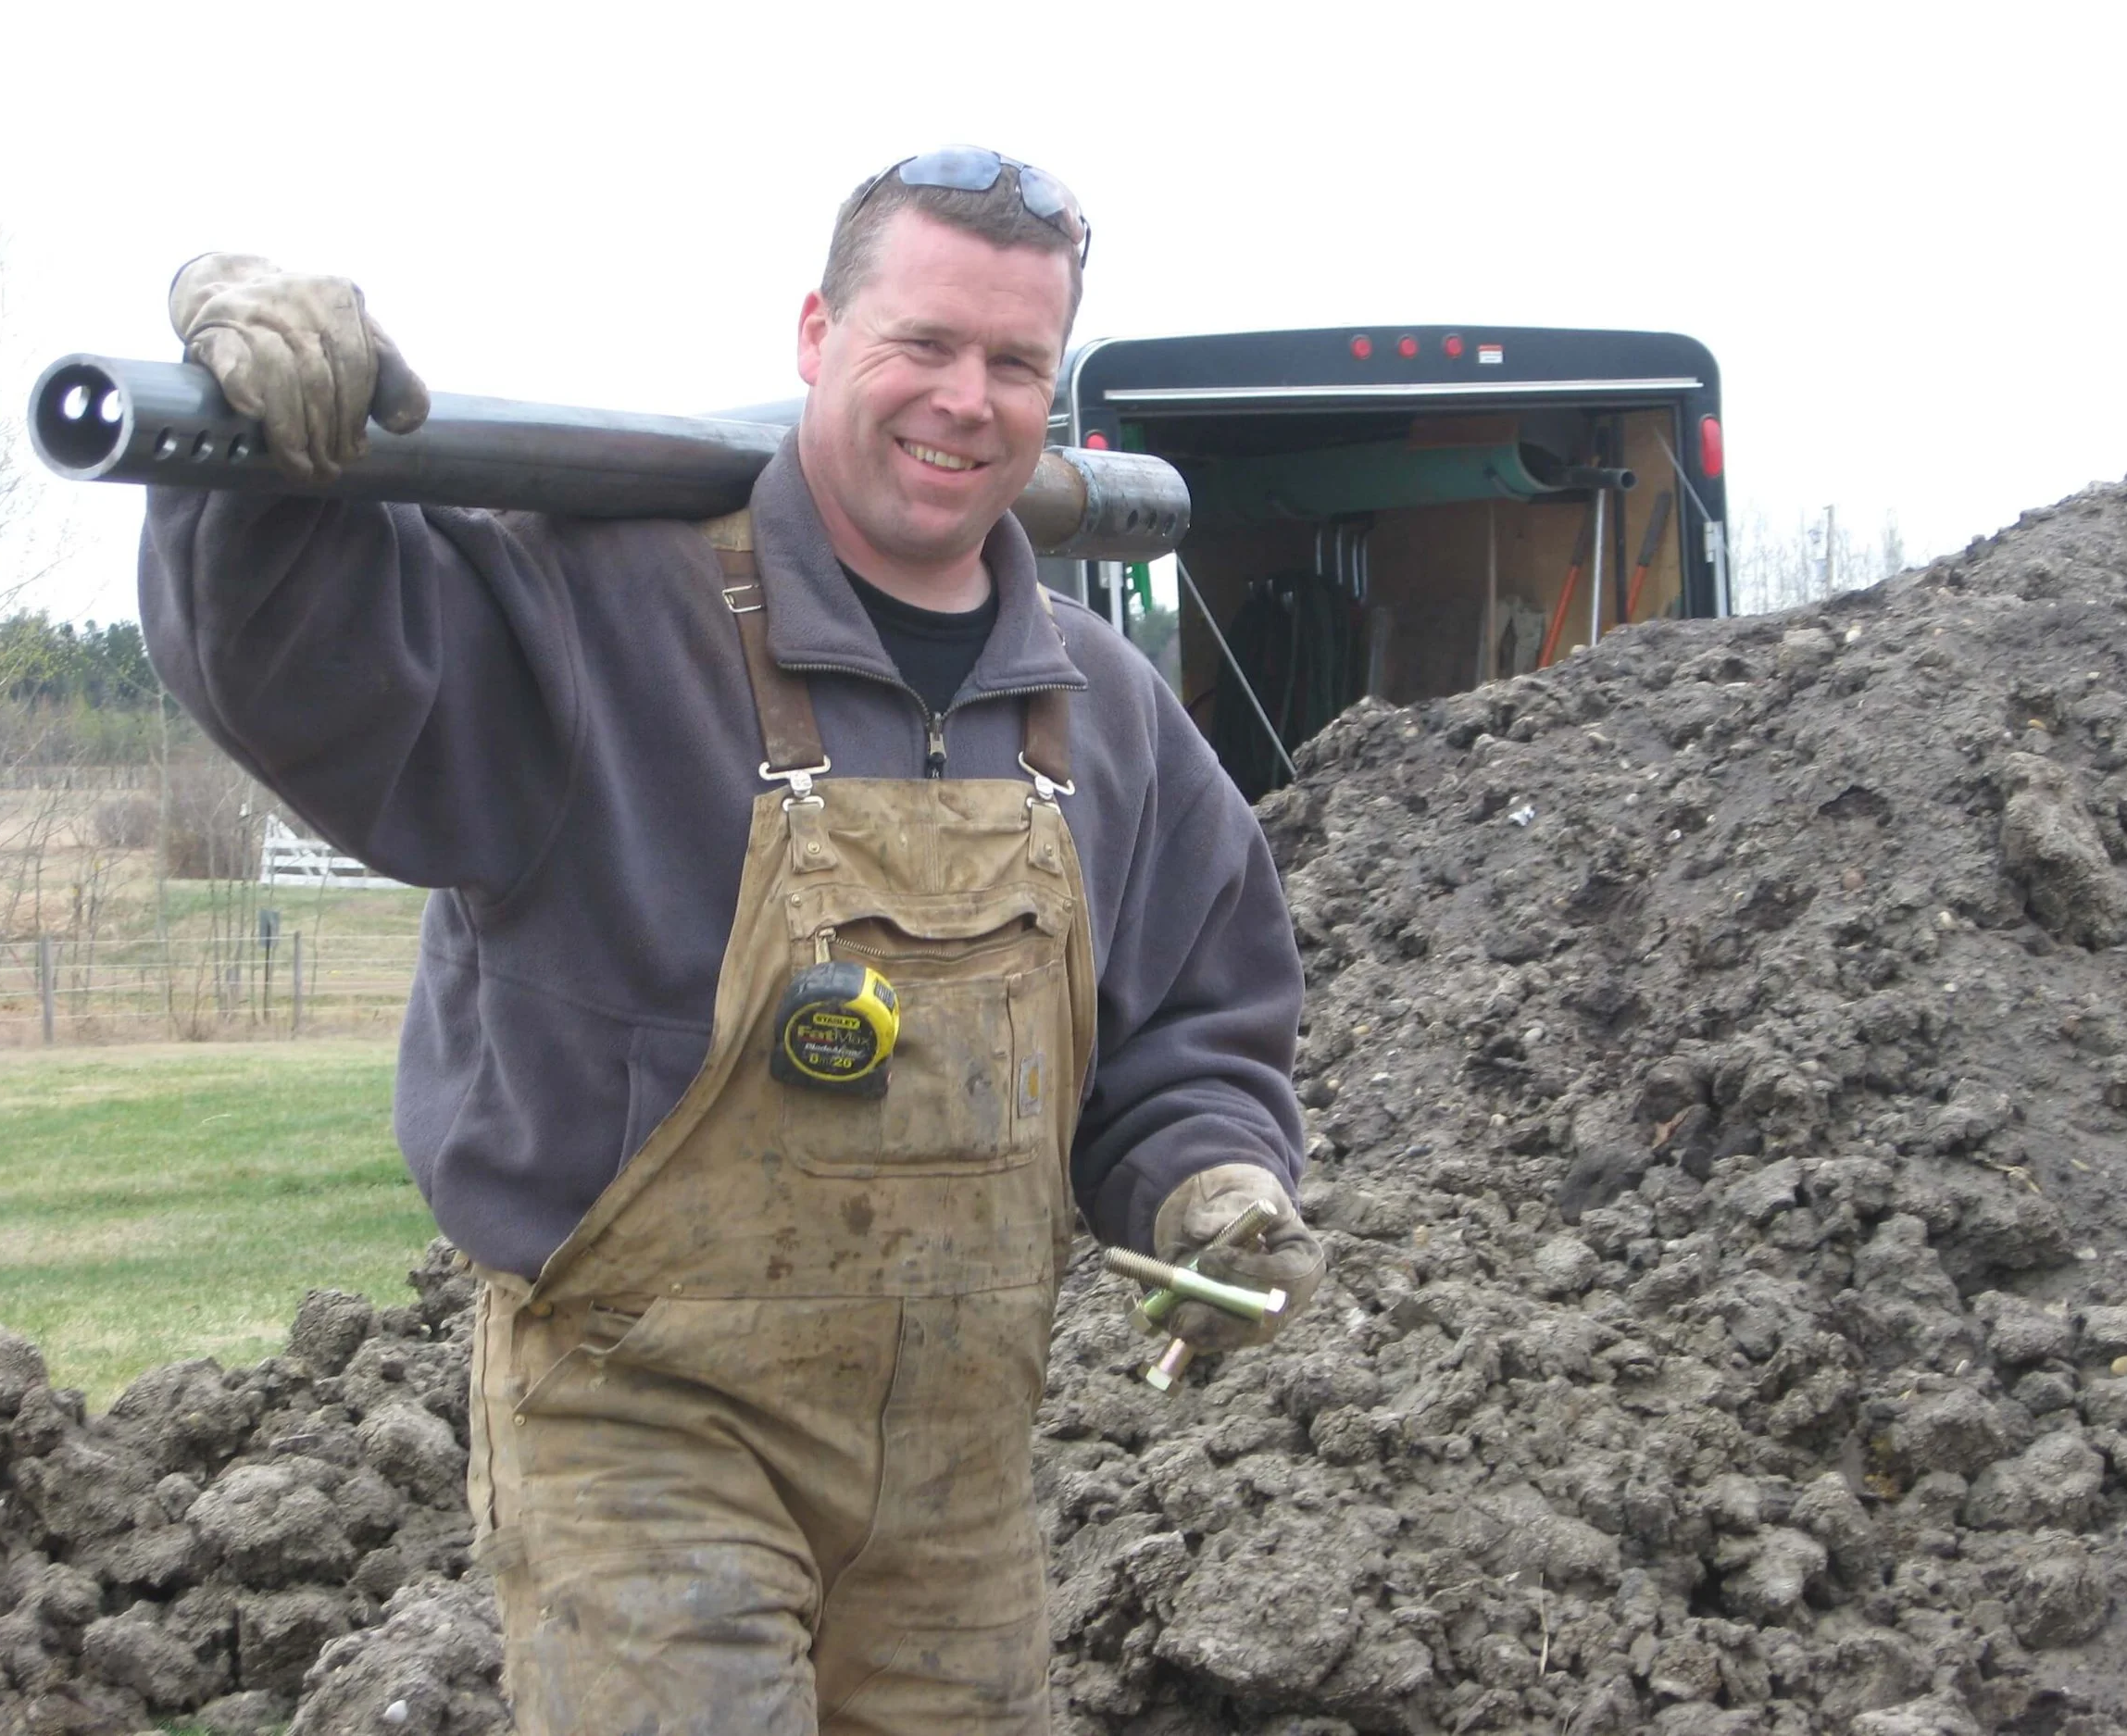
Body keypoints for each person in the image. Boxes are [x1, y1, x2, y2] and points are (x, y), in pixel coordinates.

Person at [140, 147, 1323, 1734]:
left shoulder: (1101, 711)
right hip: (644, 1437)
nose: (966, 399)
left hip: (959, 1475)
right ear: (818, 333)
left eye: (1015, 363)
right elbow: (318, 677)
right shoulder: (598, 612)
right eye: (923, 344)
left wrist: (1208, 1187)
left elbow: (1188, 1022)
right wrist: (251, 472)